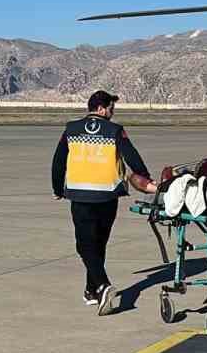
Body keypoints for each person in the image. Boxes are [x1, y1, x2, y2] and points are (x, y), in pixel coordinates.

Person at [52, 90, 157, 315]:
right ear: (101, 108)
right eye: (111, 108)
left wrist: (57, 188)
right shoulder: (115, 130)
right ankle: (91, 290)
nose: (112, 112)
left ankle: (101, 285)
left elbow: (59, 160)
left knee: (84, 245)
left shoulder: (71, 129)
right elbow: (132, 156)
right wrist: (144, 176)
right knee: (98, 242)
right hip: (107, 195)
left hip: (80, 195)